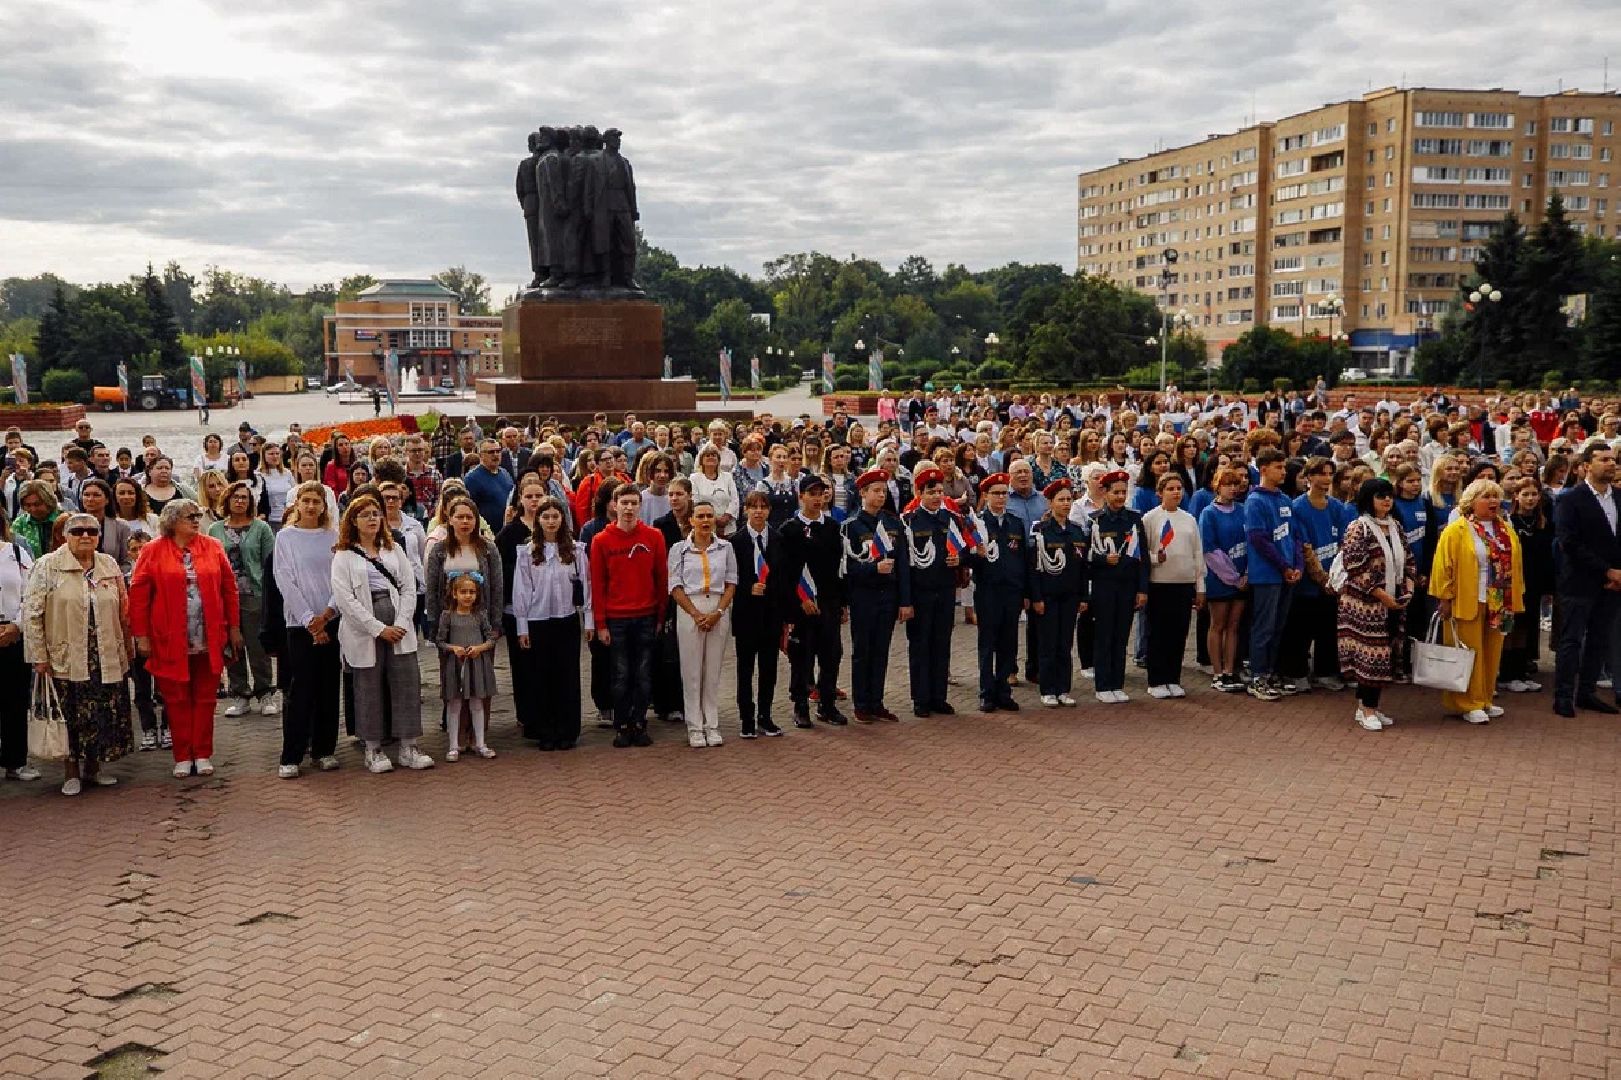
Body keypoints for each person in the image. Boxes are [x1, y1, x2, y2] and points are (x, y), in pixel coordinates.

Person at [129, 499, 241, 778]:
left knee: (205, 698)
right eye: (190, 516)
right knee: (176, 698)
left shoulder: (212, 546)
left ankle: (202, 753)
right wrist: (141, 636)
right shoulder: (152, 550)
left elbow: (229, 588)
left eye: (198, 515)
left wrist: (234, 628)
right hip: (168, 637)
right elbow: (139, 595)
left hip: (208, 635)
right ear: (172, 521)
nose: (196, 520)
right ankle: (182, 755)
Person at [22, 512, 132, 795]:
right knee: (70, 712)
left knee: (101, 711)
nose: (85, 536)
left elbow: (124, 611)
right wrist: (39, 656)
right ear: (65, 536)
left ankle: (94, 768)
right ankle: (71, 771)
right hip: (65, 655)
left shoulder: (108, 564)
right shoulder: (47, 566)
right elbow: (32, 613)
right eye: (78, 531)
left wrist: (127, 647)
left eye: (91, 531)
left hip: (105, 653)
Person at [331, 494, 431, 773]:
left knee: (406, 683)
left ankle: (408, 745)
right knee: (368, 687)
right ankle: (373, 748)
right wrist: (377, 628)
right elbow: (345, 599)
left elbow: (409, 587)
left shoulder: (393, 548)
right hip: (365, 628)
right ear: (353, 521)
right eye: (365, 514)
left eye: (376, 513)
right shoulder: (344, 555)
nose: (373, 518)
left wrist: (400, 622)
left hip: (398, 623)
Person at [1429, 479, 1524, 725]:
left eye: (1495, 496)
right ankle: (1467, 702)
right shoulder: (1457, 530)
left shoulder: (1505, 529)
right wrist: (1445, 597)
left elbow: (1516, 565)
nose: (1493, 501)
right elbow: (1443, 566)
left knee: (1492, 651)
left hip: (1499, 599)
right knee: (1469, 651)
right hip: (1468, 598)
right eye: (1486, 497)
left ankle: (1485, 698)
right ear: (1472, 502)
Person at [589, 485, 668, 747]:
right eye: (624, 502)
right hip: (617, 618)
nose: (629, 508)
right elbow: (597, 585)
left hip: (646, 616)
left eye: (634, 502)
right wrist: (601, 623)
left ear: (640, 505)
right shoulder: (601, 541)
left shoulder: (654, 537)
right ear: (615, 505)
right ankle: (621, 724)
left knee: (644, 675)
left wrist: (660, 617)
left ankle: (639, 721)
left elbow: (661, 578)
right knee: (621, 674)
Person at [512, 495, 592, 750]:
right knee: (541, 676)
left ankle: (567, 730)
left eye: (555, 516)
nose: (550, 521)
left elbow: (586, 587)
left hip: (566, 619)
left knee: (566, 675)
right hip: (538, 621)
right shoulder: (527, 552)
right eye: (545, 516)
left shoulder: (576, 550)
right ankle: (545, 730)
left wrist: (588, 620)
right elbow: (521, 590)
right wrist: (522, 626)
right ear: (539, 520)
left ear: (562, 519)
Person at [272, 482, 341, 778]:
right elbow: (284, 579)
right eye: (306, 501)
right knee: (301, 690)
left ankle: (325, 750)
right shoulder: (286, 538)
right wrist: (310, 620)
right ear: (297, 503)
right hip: (300, 625)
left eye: (317, 501)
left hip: (331, 620)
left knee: (328, 687)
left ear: (325, 505)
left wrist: (327, 614)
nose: (311, 506)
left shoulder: (333, 536)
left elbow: (341, 578)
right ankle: (292, 755)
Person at [1337, 478, 1415, 731]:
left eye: (1389, 496)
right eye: (1381, 496)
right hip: (1365, 605)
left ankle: (1369, 706)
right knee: (1370, 656)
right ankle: (1367, 708)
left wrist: (1409, 587)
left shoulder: (1395, 527)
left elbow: (1409, 559)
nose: (1387, 501)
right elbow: (1355, 566)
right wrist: (1381, 594)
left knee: (1387, 655)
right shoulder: (1358, 528)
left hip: (1393, 602)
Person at [1550, 442, 1621, 717]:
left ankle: (1587, 692)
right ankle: (1563, 695)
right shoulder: (1571, 498)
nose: (1611, 464)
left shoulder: (1618, 497)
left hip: (1612, 584)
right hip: (1580, 582)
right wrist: (1606, 570)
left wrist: (1617, 573)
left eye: (1613, 459)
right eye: (1604, 459)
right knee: (1572, 640)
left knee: (1599, 639)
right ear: (1586, 466)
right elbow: (1570, 542)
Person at [776, 474, 847, 727]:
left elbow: (838, 567)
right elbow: (785, 573)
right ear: (801, 496)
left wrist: (841, 602)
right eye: (812, 493)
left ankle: (826, 705)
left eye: (821, 493)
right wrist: (798, 602)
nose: (817, 499)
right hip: (802, 604)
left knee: (831, 654)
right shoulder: (789, 530)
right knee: (802, 656)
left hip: (827, 602)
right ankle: (801, 706)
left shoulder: (832, 528)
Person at [839, 469, 909, 723]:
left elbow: (902, 563)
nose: (881, 495)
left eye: (884, 491)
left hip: (887, 595)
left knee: (881, 650)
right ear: (863, 493)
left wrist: (905, 600)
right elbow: (846, 568)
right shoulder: (851, 526)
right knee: (863, 651)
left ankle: (876, 701)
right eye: (876, 491)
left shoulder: (892, 523)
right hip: (864, 596)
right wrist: (872, 568)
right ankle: (861, 703)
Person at [667, 498, 737, 747]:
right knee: (692, 671)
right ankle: (695, 727)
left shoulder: (725, 548)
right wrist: (695, 614)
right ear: (691, 521)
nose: (705, 520)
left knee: (713, 671)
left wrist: (718, 611)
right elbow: (674, 586)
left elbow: (731, 583)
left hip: (717, 607)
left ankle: (712, 724)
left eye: (709, 516)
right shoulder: (678, 549)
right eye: (701, 516)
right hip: (690, 608)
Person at [1281, 457, 1351, 693]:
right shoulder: (1297, 507)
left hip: (1333, 581)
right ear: (1309, 477)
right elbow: (1304, 547)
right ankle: (1296, 672)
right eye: (1320, 473)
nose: (1326, 478)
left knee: (1328, 629)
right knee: (1301, 629)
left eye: (1330, 473)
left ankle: (1325, 671)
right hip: (1308, 584)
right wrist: (1322, 579)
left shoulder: (1337, 507)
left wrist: (1336, 579)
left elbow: (1343, 544)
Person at [208, 481, 278, 717]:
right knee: (232, 646)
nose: (240, 501)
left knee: (257, 646)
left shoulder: (261, 528)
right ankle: (239, 694)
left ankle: (265, 692)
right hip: (225, 595)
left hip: (254, 594)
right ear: (227, 500)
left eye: (245, 498)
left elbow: (270, 563)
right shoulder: (215, 530)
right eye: (235, 497)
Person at [901, 467, 963, 717]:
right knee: (920, 645)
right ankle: (921, 698)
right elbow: (904, 565)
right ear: (919, 493)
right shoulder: (910, 521)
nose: (937, 496)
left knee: (941, 643)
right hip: (921, 591)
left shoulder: (951, 519)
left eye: (939, 491)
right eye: (931, 492)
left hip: (945, 590)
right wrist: (905, 600)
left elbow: (966, 549)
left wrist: (960, 559)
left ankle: (939, 696)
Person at [1244, 448, 1303, 701]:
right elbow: (1259, 539)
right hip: (1267, 574)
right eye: (1278, 467)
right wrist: (1283, 566)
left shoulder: (1284, 499)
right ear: (1264, 469)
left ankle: (1271, 671)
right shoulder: (1255, 501)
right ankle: (1258, 676)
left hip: (1287, 574)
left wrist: (1298, 566)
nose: (1283, 472)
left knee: (1279, 627)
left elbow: (1296, 536)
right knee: (1264, 627)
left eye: (1284, 467)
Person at [1086, 470, 1149, 704]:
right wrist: (1104, 560)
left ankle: (1117, 683)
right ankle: (1103, 684)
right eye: (1116, 492)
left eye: (1124, 492)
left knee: (1121, 636)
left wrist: (1142, 590)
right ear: (1105, 493)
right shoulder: (1095, 520)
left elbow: (1142, 558)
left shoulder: (1134, 520)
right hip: (1104, 587)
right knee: (1104, 636)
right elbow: (1087, 558)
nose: (1121, 496)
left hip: (1127, 586)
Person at [1141, 473, 1204, 699]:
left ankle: (1173, 678)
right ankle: (1156, 680)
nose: (1176, 492)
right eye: (1170, 488)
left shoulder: (1189, 519)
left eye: (1179, 488)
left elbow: (1197, 552)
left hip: (1183, 583)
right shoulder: (1150, 519)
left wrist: (1200, 587)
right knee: (1158, 633)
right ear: (1160, 492)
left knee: (1179, 633)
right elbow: (1142, 553)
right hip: (1159, 584)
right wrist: (1156, 558)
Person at [969, 472, 1026, 713]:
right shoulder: (978, 523)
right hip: (988, 591)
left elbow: (1023, 559)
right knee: (987, 643)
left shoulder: (1015, 522)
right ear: (986, 495)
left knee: (1008, 643)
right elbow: (966, 558)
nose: (1001, 498)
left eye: (1004, 493)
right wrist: (976, 555)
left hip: (1011, 591)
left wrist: (1025, 592)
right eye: (996, 494)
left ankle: (1003, 690)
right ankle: (986, 692)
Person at [1030, 479, 1089, 707]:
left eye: (1068, 499)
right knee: (1048, 644)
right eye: (1061, 500)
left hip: (1070, 595)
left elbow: (1083, 568)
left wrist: (1083, 597)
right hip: (1048, 595)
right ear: (1050, 502)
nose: (1065, 504)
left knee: (1065, 644)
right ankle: (1048, 689)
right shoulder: (1041, 531)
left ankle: (1063, 688)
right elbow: (1034, 568)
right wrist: (1036, 597)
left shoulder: (1076, 531)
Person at [729, 491, 783, 737]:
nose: (758, 511)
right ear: (746, 511)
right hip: (746, 614)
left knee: (769, 668)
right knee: (745, 668)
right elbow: (729, 579)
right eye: (753, 507)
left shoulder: (778, 539)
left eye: (763, 507)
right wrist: (747, 587)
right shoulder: (735, 542)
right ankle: (746, 717)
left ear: (769, 510)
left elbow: (784, 576)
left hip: (771, 613)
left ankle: (765, 715)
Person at [436, 575, 499, 760]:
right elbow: (439, 640)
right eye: (463, 592)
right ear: (454, 594)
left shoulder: (480, 615)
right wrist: (452, 648)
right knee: (454, 704)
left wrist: (480, 648)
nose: (468, 596)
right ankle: (453, 745)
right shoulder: (447, 616)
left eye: (472, 592)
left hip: (476, 664)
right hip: (455, 665)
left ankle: (480, 743)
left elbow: (491, 637)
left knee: (477, 703)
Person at [1199, 467, 1249, 693]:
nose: (1232, 489)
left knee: (1234, 625)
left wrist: (1246, 573)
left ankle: (1230, 670)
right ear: (1217, 486)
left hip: (1243, 576)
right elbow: (1209, 549)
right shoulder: (1209, 513)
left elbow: (1252, 542)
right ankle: (1217, 672)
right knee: (1217, 624)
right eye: (1227, 484)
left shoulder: (1243, 510)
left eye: (1235, 485)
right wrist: (1233, 578)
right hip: (1220, 579)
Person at [1500, 481, 1552, 694]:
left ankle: (1522, 671)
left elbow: (1548, 556)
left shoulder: (1543, 523)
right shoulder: (1509, 522)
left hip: (1535, 582)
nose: (1530, 499)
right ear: (1516, 496)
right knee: (1511, 627)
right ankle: (1507, 674)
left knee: (1527, 627)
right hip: (1513, 582)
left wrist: (1549, 587)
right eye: (1525, 494)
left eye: (1534, 494)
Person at [0, 510, 36, 782]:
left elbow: (31, 593)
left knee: (14, 701)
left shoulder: (17, 552)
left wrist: (17, 626)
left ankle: (16, 761)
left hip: (12, 633)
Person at [75, 478, 131, 568]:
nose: (90, 499)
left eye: (96, 495)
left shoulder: (121, 527)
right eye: (86, 495)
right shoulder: (73, 525)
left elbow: (127, 561)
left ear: (107, 500)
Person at [12, 480, 59, 559]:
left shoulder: (63, 520)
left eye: (37, 504)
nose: (33, 509)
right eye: (27, 505)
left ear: (49, 502)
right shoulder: (20, 523)